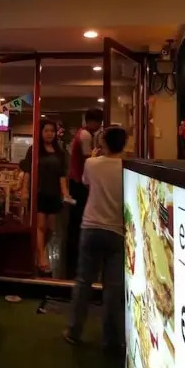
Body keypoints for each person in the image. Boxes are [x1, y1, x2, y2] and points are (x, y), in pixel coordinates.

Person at [64, 126, 128, 351]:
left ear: (103, 143)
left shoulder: (91, 164)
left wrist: (93, 156)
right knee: (113, 288)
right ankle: (111, 340)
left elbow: (85, 182)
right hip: (116, 230)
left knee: (83, 282)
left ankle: (74, 331)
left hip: (91, 227)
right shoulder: (127, 168)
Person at [18, 119, 71, 277]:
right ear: (40, 132)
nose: (49, 134)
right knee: (40, 226)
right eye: (46, 131)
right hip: (38, 192)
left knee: (50, 228)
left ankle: (40, 249)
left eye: (52, 131)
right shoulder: (34, 150)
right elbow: (28, 172)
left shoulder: (59, 152)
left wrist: (65, 192)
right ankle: (41, 257)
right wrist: (25, 190)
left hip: (54, 193)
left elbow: (62, 175)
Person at [66, 107, 105, 278]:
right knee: (79, 217)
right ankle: (77, 252)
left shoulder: (83, 133)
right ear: (92, 121)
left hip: (77, 180)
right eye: (98, 122)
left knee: (76, 217)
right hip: (79, 181)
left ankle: (74, 250)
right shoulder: (86, 135)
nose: (99, 126)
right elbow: (88, 159)